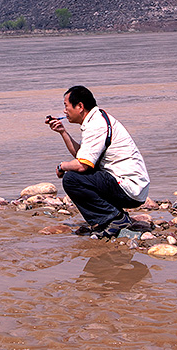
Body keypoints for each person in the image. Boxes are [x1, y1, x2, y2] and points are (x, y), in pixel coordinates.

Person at [45, 85, 150, 239]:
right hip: (130, 187)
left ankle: (114, 219)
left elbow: (82, 165)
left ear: (80, 106)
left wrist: (62, 166)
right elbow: (82, 156)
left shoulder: (96, 125)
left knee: (71, 179)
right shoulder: (96, 119)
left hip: (129, 189)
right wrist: (63, 132)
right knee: (78, 174)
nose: (64, 111)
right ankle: (113, 217)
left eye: (66, 106)